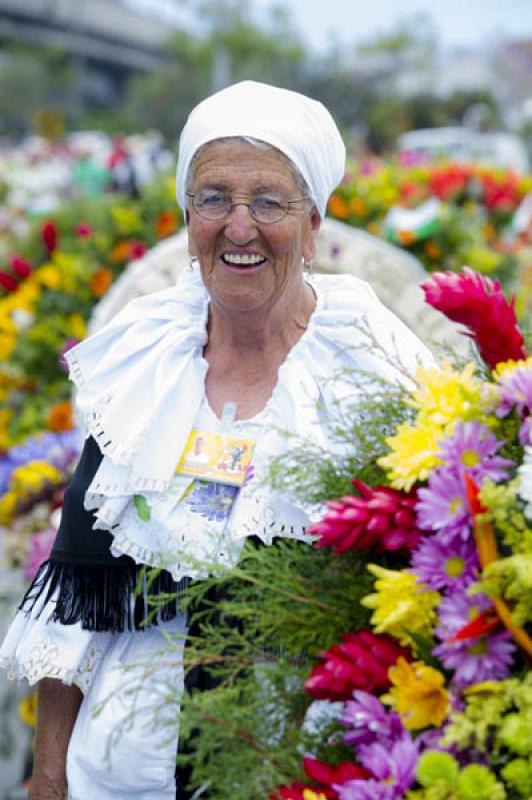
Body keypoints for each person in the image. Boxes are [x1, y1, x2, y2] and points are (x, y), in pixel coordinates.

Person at [0, 81, 433, 800]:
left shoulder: (373, 363)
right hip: (119, 775)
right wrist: (46, 777)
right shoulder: (147, 362)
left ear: (315, 220)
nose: (239, 227)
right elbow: (79, 590)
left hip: (302, 773)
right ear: (187, 216)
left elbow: (417, 588)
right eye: (214, 199)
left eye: (269, 201)